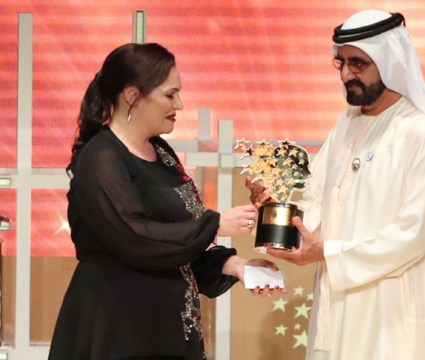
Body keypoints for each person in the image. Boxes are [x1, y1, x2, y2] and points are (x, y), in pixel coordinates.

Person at [247, 10, 425, 360]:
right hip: (337, 306)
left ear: (389, 60)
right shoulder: (346, 125)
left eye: (359, 63)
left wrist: (329, 253)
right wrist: (275, 206)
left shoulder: (421, 133)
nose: (347, 74)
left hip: (391, 317)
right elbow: (318, 206)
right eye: (341, 63)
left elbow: (413, 234)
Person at [48, 42, 284, 360]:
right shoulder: (102, 158)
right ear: (132, 95)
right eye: (170, 94)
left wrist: (237, 266)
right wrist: (215, 223)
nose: (180, 104)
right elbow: (134, 236)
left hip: (166, 327)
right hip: (117, 329)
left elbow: (179, 239)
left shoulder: (162, 153)